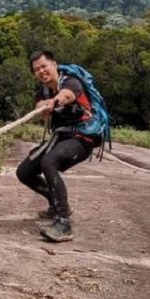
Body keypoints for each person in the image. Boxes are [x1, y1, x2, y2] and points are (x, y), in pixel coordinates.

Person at [16, 50, 95, 242]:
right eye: (37, 70)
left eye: (44, 66)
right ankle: (57, 202)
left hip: (82, 137)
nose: (41, 71)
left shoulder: (71, 82)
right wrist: (43, 104)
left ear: (54, 64)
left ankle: (63, 222)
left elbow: (68, 95)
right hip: (60, 137)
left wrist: (55, 100)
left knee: (49, 161)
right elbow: (40, 110)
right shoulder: (42, 92)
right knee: (24, 172)